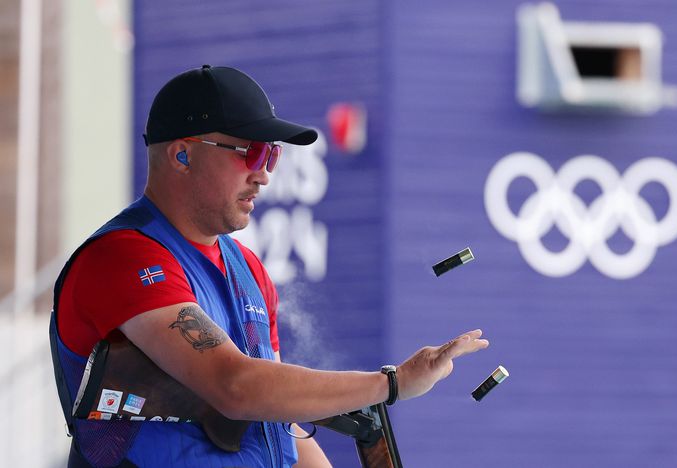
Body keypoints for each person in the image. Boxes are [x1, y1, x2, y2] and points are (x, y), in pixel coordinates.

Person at [49, 64, 489, 468]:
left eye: (271, 156)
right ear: (182, 155)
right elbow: (235, 387)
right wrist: (391, 384)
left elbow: (276, 423)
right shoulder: (124, 256)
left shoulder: (248, 270)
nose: (264, 174)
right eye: (251, 153)